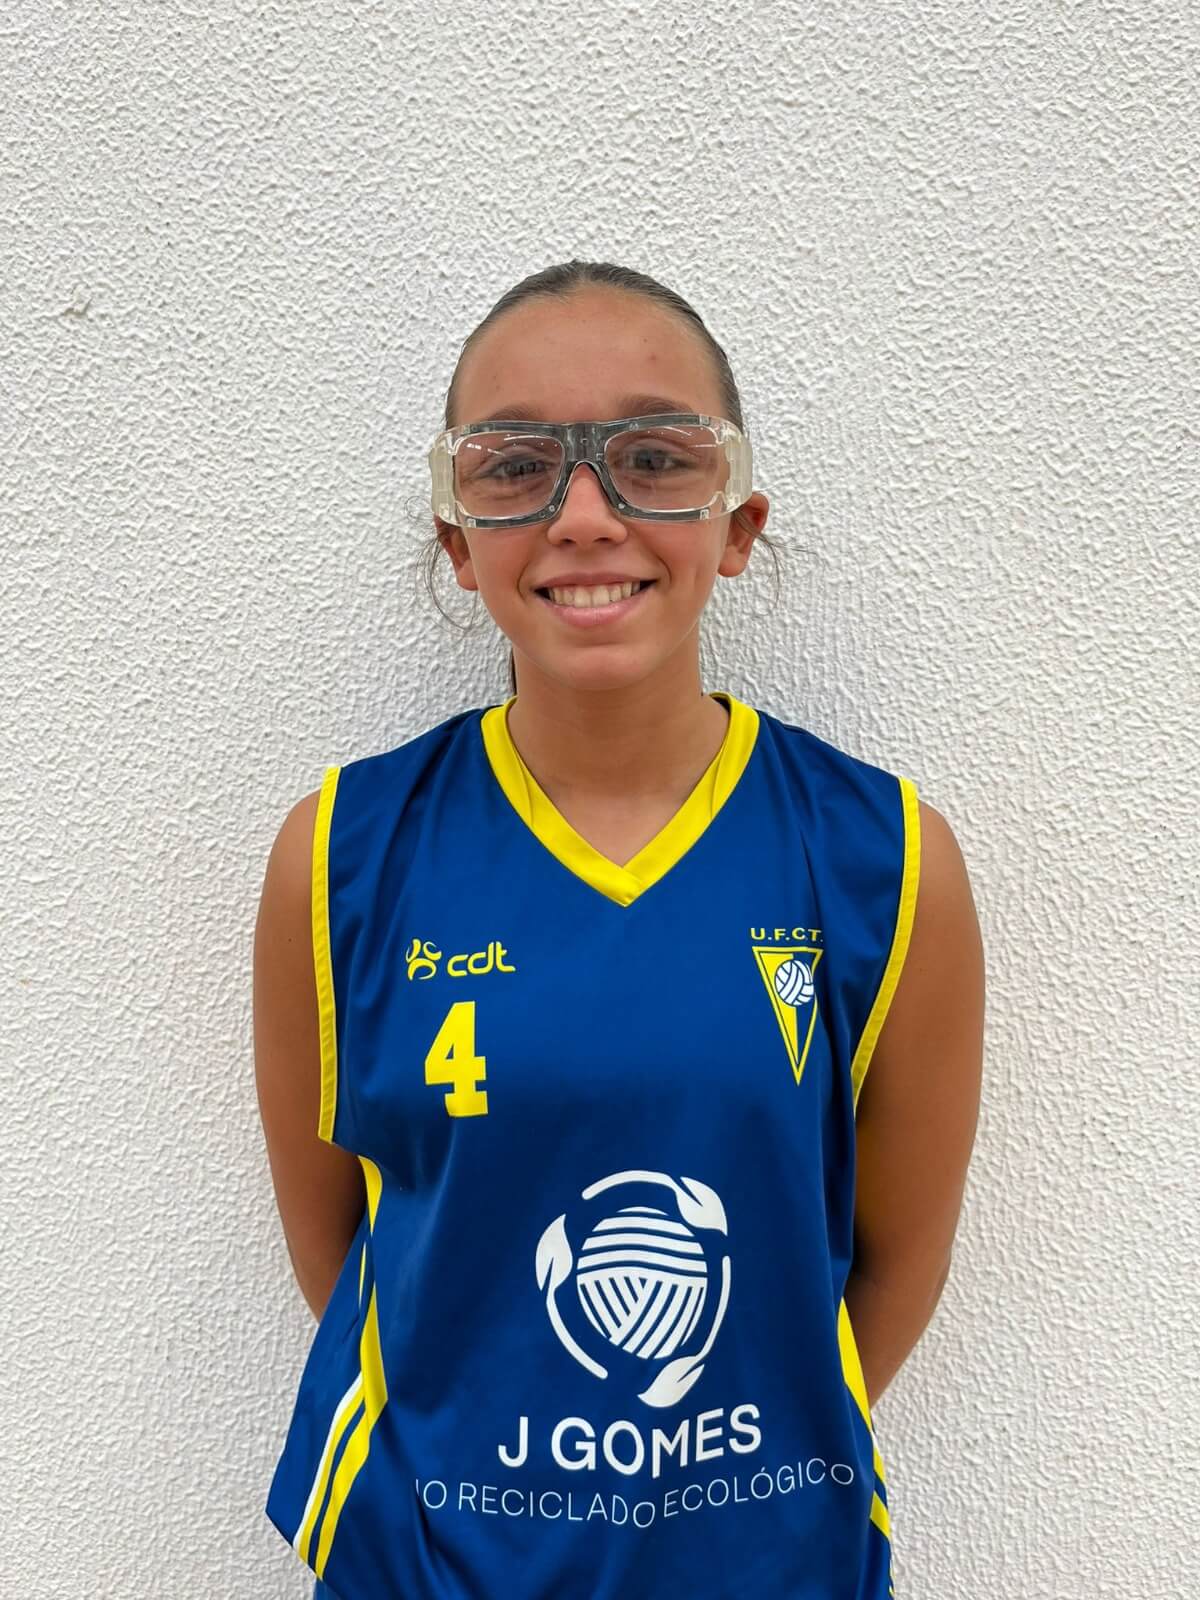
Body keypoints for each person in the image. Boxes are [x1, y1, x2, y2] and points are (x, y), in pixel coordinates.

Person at [253, 259, 985, 1600]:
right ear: (459, 540)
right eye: (516, 466)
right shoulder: (343, 853)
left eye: (652, 459)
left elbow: (894, 1262)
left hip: (761, 1559)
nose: (585, 515)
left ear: (738, 523)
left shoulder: (882, 859)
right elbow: (343, 1245)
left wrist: (705, 1489)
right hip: (431, 1568)